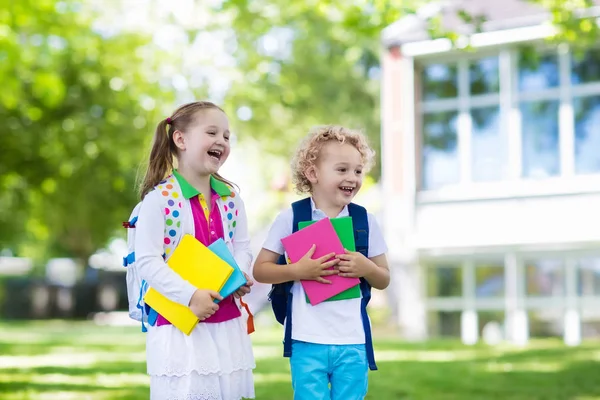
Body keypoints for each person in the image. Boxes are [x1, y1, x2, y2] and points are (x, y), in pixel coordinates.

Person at [253, 125, 390, 400]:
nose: (352, 177)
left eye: (358, 170)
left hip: (352, 342)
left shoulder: (365, 222)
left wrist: (367, 268)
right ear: (313, 173)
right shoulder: (290, 218)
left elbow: (383, 278)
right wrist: (297, 271)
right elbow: (260, 270)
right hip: (307, 341)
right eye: (342, 170)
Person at [135, 101, 255, 400]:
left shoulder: (231, 199)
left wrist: (239, 274)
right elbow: (147, 262)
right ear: (181, 139)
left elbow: (242, 247)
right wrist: (190, 295)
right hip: (180, 325)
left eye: (227, 136)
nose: (222, 141)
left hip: (226, 321)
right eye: (212, 132)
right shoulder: (159, 199)